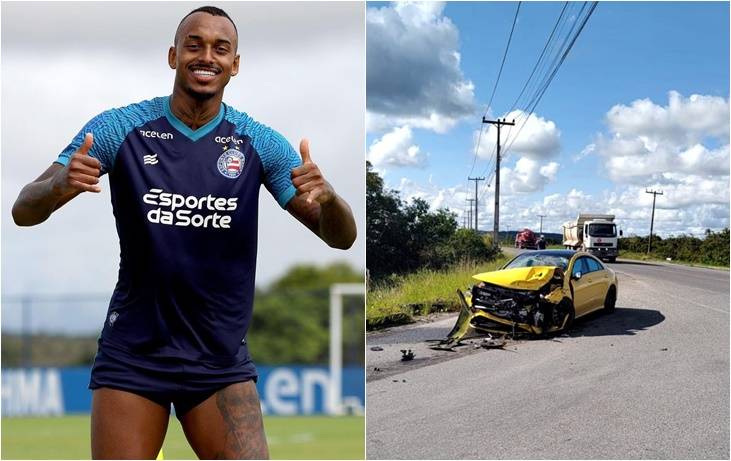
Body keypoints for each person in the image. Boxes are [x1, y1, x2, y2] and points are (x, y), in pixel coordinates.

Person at [11, 6, 356, 459]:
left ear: (235, 64)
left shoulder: (259, 142)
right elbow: (23, 209)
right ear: (173, 56)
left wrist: (330, 200)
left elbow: (341, 238)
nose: (205, 56)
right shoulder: (118, 128)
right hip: (133, 356)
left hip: (219, 361)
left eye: (220, 48)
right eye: (194, 45)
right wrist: (58, 185)